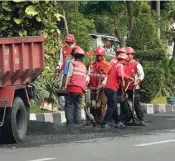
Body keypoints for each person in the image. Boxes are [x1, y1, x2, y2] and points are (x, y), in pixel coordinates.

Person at [101, 53, 133, 128]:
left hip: (107, 88)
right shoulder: (120, 65)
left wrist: (128, 78)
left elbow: (121, 75)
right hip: (112, 88)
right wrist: (124, 82)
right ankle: (105, 122)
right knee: (112, 106)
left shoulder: (114, 65)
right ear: (124, 60)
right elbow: (120, 75)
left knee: (113, 105)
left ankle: (117, 121)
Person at [87, 46, 111, 124]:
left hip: (103, 88)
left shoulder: (107, 65)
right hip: (92, 87)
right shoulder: (91, 64)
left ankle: (101, 120)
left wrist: (103, 84)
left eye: (100, 55)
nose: (99, 57)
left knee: (102, 104)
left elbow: (108, 76)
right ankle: (92, 119)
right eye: (97, 55)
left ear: (103, 55)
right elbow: (87, 74)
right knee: (92, 104)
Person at [64, 47, 87, 126]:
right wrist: (84, 89)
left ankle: (69, 122)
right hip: (80, 90)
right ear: (82, 57)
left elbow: (69, 75)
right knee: (78, 106)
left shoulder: (72, 63)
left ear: (74, 56)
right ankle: (78, 121)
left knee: (69, 104)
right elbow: (85, 79)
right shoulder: (84, 66)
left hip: (72, 88)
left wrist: (65, 86)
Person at [125, 47, 145, 124]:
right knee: (125, 103)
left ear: (132, 55)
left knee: (135, 102)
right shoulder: (124, 64)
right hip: (126, 87)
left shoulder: (137, 64)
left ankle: (141, 118)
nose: (127, 56)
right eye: (126, 54)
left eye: (128, 54)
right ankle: (128, 118)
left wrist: (137, 81)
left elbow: (142, 75)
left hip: (134, 87)